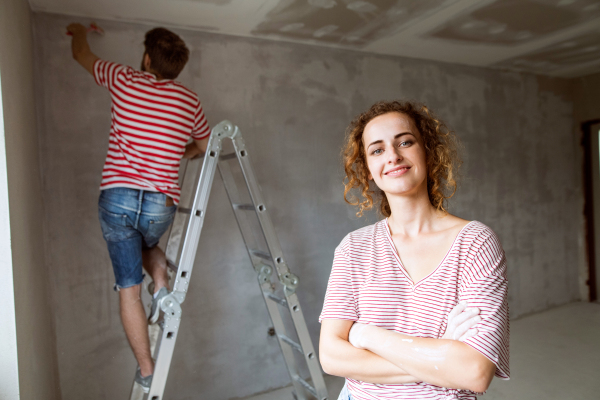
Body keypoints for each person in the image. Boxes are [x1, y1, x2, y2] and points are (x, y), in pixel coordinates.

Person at [319, 101, 509, 399]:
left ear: (428, 152)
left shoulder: (475, 242)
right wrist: (440, 356)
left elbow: (474, 372)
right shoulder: (353, 248)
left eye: (405, 142)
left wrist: (365, 335)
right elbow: (331, 357)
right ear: (368, 170)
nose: (393, 157)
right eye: (377, 150)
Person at [66, 23, 211, 392]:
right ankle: (161, 284)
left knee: (128, 287)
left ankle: (147, 370)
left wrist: (79, 30)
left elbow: (80, 54)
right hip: (160, 204)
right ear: (177, 67)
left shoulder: (123, 78)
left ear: (147, 59)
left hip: (117, 196)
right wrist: (181, 152)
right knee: (149, 248)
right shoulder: (189, 100)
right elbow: (206, 143)